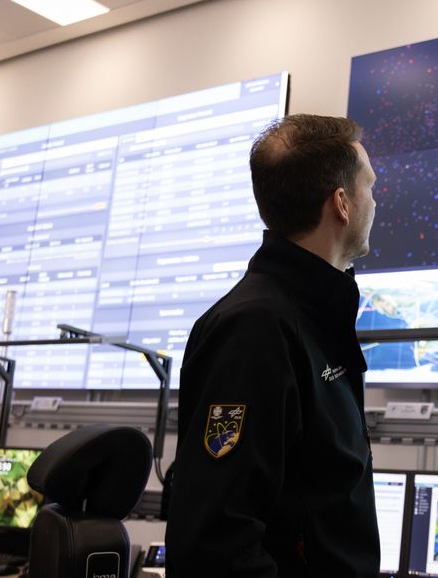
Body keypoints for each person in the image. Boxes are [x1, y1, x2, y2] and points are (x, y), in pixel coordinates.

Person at [166, 114, 380, 577]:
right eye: (370, 187)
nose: (375, 202)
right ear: (341, 203)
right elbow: (216, 545)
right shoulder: (253, 330)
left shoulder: (316, 316)